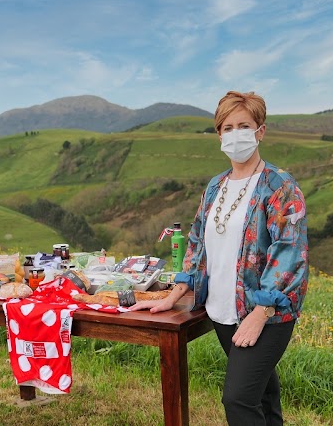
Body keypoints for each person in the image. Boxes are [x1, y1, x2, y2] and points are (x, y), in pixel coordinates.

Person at [130, 91, 308, 425]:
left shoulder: (279, 186)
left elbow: (289, 253)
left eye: (244, 125)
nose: (235, 133)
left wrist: (261, 311)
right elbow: (197, 242)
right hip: (223, 311)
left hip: (265, 313)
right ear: (219, 135)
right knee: (262, 394)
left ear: (261, 131)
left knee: (238, 400)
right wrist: (175, 294)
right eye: (228, 127)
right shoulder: (216, 186)